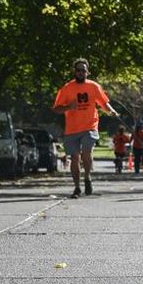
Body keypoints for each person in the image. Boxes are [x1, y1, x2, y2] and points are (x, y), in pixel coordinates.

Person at [52, 58, 119, 198]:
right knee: (74, 158)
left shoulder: (94, 86)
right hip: (72, 129)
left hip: (90, 126)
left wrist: (111, 111)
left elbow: (104, 103)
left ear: (87, 72)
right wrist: (68, 107)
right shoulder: (67, 88)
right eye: (78, 70)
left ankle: (87, 177)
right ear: (74, 72)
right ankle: (77, 187)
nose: (81, 72)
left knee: (86, 152)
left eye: (83, 70)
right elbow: (56, 109)